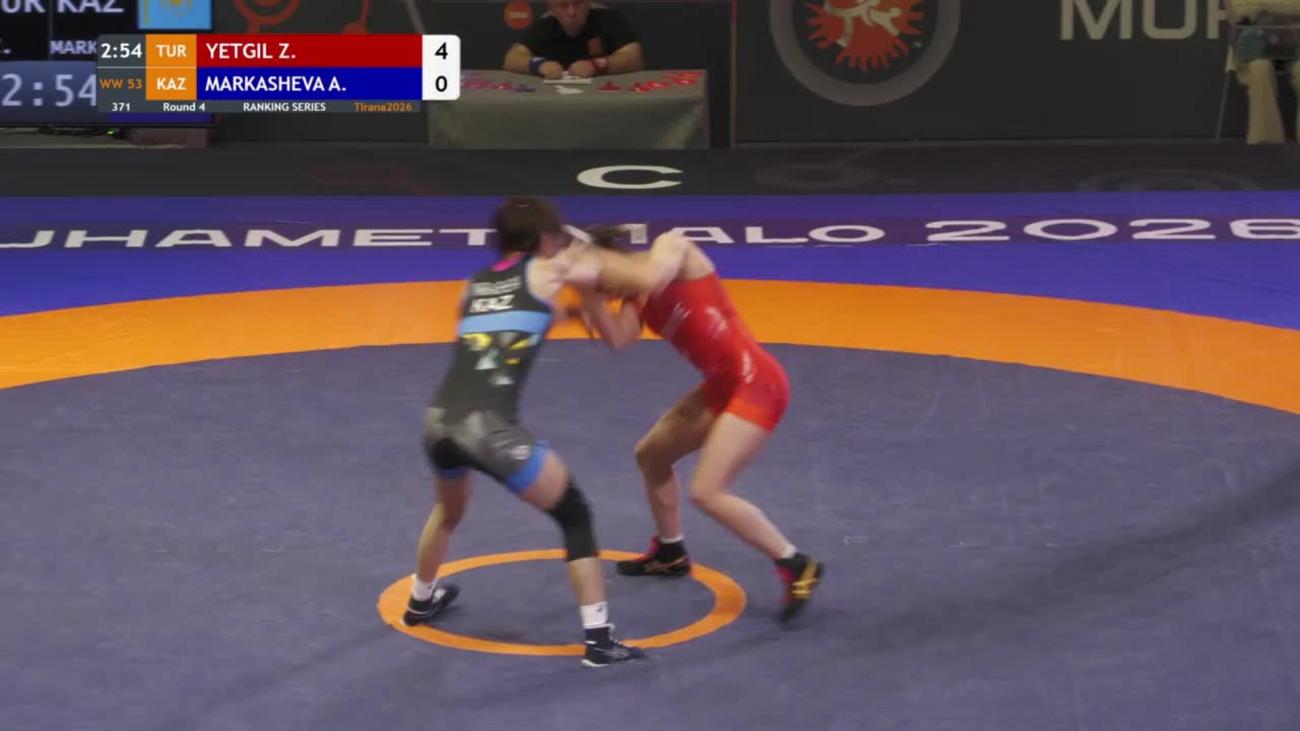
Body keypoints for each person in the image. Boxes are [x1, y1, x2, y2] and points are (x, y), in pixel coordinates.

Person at [401, 199, 645, 668]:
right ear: (544, 239)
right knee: (574, 513)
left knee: (448, 511)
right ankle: (599, 640)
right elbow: (610, 272)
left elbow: (506, 327)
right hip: (487, 430)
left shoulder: (473, 285)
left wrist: (568, 314)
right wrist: (621, 266)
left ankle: (421, 598)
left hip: (438, 422)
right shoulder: (548, 269)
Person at [572, 228, 824, 623]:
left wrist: (591, 270)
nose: (608, 293)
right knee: (652, 456)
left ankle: (795, 562)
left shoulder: (673, 248)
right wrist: (587, 296)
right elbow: (619, 340)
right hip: (723, 386)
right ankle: (670, 552)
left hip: (757, 383)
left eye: (605, 282)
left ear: (614, 258)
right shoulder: (634, 299)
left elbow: (651, 277)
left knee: (707, 491)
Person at [503, 0, 645, 81]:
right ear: (552, 9)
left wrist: (596, 66)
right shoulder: (545, 24)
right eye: (563, 5)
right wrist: (538, 65)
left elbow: (634, 57)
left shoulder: (608, 18)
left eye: (577, 3)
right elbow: (512, 58)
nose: (572, 12)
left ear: (587, 3)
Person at [1227, 0, 1300, 144]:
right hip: (1254, 47)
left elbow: (1252, 9)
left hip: (1296, 45)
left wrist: (1261, 6)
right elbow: (1238, 13)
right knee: (1259, 68)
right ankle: (1266, 146)